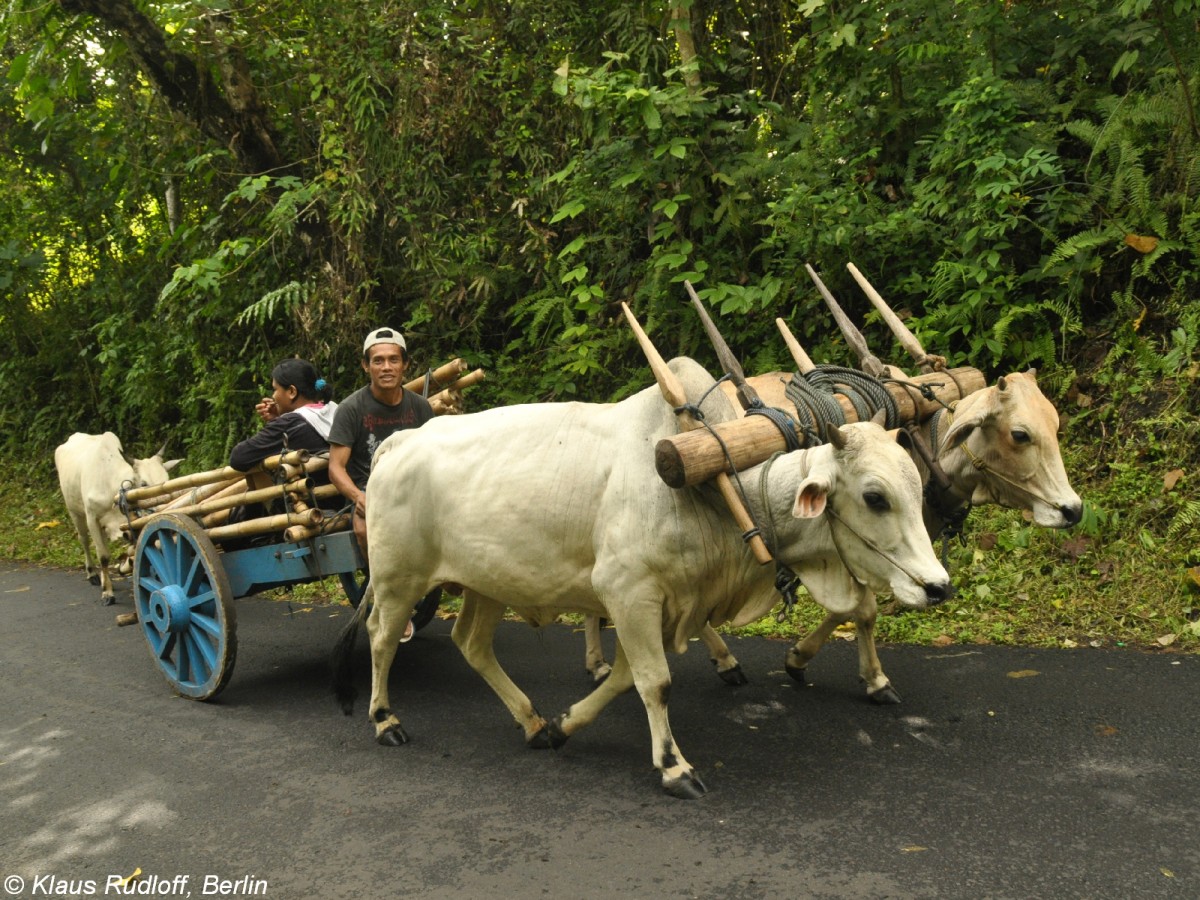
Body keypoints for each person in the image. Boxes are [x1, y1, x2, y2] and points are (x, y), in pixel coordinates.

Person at [328, 327, 434, 565]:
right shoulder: (351, 409)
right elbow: (336, 468)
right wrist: (359, 497)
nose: (386, 367)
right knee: (364, 530)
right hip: (371, 490)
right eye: (378, 361)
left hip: (413, 487)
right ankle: (378, 585)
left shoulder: (420, 407)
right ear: (366, 366)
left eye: (393, 359)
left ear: (405, 364)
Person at [228, 359, 339, 526]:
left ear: (292, 391)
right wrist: (278, 419)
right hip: (342, 500)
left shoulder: (290, 423)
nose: (273, 396)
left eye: (275, 389)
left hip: (309, 508)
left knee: (256, 469)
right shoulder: (334, 410)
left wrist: (278, 423)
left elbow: (238, 457)